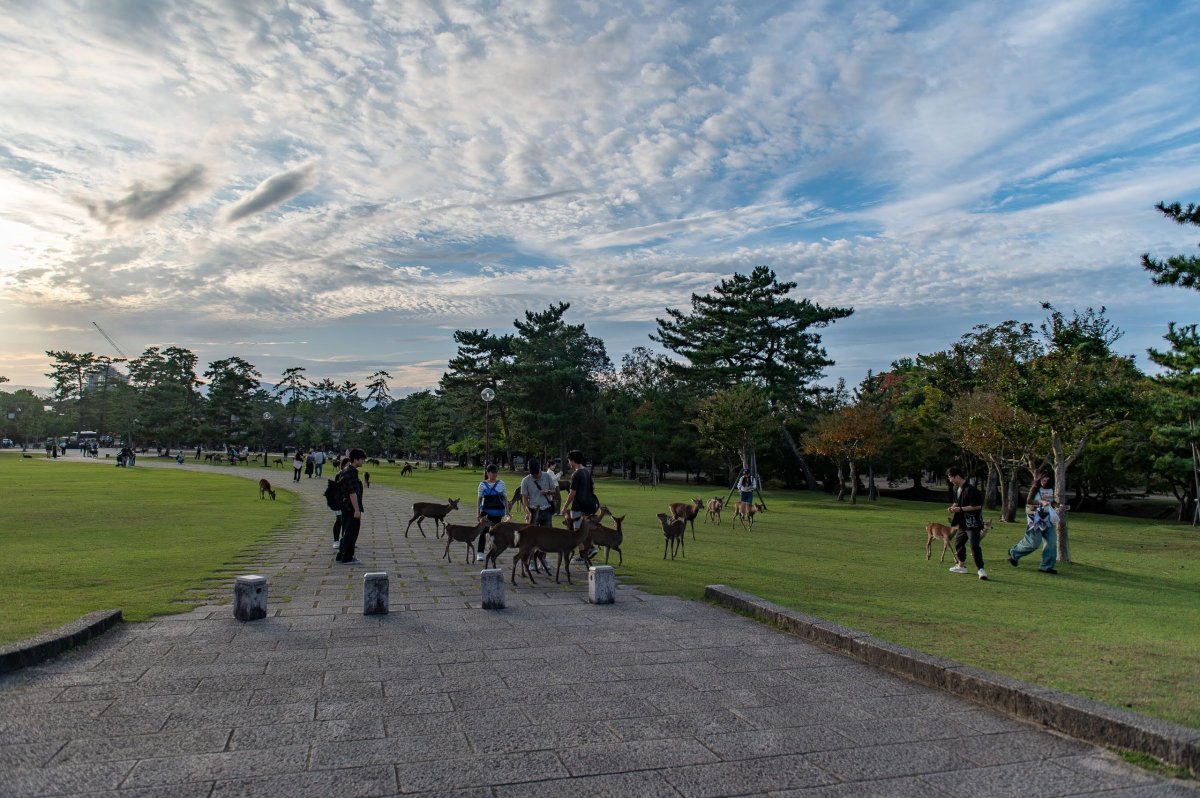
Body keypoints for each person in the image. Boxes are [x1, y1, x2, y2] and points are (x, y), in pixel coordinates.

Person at [947, 466, 987, 580]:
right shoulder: (957, 489)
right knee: (958, 544)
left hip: (973, 523)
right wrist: (952, 508)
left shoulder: (971, 490)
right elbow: (957, 502)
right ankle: (961, 566)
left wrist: (960, 509)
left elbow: (977, 506)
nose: (950, 480)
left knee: (974, 546)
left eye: (951, 477)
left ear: (957, 476)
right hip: (962, 523)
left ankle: (981, 570)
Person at [562, 450, 600, 562]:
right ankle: (588, 550)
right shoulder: (586, 471)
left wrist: (565, 507)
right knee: (583, 530)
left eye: (569, 460)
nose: (569, 463)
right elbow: (592, 487)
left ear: (573, 460)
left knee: (576, 531)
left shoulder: (576, 474)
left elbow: (572, 493)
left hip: (578, 506)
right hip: (588, 505)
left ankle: (585, 554)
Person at [1008, 501, 1059, 574]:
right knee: (1034, 544)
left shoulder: (1052, 490)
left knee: (1052, 543)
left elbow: (1054, 502)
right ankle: (1014, 552)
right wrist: (1041, 502)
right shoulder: (1035, 489)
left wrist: (1058, 505)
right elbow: (1029, 500)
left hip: (1048, 519)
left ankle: (1046, 567)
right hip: (1035, 519)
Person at [336, 449, 366, 564]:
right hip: (350, 506)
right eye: (362, 459)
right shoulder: (351, 472)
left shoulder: (346, 470)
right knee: (352, 532)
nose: (363, 461)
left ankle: (341, 554)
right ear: (356, 459)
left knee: (347, 531)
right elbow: (352, 493)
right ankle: (348, 556)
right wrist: (357, 510)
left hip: (346, 506)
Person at [477, 464, 507, 561]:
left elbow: (505, 498)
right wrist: (478, 513)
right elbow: (479, 499)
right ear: (488, 473)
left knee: (496, 533)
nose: (495, 474)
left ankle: (493, 551)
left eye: (496, 472)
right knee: (483, 532)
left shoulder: (501, 483)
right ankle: (480, 553)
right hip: (485, 513)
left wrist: (508, 511)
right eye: (493, 472)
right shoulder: (482, 484)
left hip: (498, 513)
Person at [520, 458, 558, 527]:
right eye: (533, 475)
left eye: (537, 474)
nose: (536, 477)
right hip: (533, 512)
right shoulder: (525, 481)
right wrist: (528, 513)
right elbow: (525, 499)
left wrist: (548, 491)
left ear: (540, 468)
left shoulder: (547, 476)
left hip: (546, 510)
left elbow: (554, 491)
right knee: (532, 536)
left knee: (547, 535)